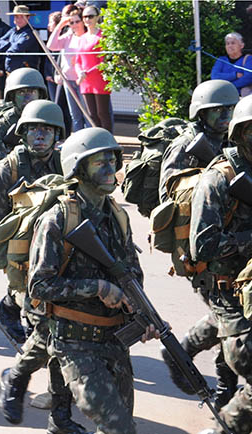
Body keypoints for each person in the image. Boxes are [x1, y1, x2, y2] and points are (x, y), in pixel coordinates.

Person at [29, 127, 160, 433]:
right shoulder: (58, 220)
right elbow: (39, 286)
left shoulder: (116, 215)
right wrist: (98, 288)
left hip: (114, 341)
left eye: (112, 161)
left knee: (121, 428)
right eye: (99, 162)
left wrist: (141, 314)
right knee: (118, 426)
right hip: (74, 342)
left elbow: (132, 274)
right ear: (78, 169)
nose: (110, 169)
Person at [0, 101, 84, 432]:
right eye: (34, 129)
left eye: (47, 130)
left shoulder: (66, 167)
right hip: (26, 270)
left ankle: (50, 407)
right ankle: (32, 391)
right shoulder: (5, 170)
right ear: (22, 133)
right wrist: (29, 220)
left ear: (57, 135)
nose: (41, 135)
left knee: (59, 338)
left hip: (65, 265)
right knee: (55, 337)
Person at [158, 79, 241, 410]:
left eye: (229, 110)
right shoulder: (187, 145)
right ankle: (220, 382)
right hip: (201, 243)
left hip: (232, 239)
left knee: (229, 312)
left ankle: (216, 377)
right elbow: (170, 197)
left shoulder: (233, 142)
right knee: (228, 315)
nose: (224, 116)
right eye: (217, 111)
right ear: (201, 113)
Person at [190, 95, 252, 434]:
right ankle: (223, 429)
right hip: (224, 285)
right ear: (241, 134)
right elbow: (203, 246)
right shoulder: (218, 179)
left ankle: (190, 343)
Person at [0, 67, 47, 169]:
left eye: (32, 92)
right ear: (12, 97)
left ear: (40, 95)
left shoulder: (47, 124)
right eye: (21, 93)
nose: (27, 98)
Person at [48, 5, 88, 133]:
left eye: (77, 21)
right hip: (68, 81)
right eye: (71, 22)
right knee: (75, 115)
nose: (75, 24)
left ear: (82, 21)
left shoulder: (87, 37)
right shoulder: (68, 36)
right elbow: (51, 45)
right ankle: (79, 140)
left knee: (87, 114)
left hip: (83, 81)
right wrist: (60, 25)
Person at [74, 5, 112, 132]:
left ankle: (108, 141)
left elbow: (104, 62)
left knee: (103, 113)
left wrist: (86, 73)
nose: (87, 19)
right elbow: (77, 61)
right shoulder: (81, 38)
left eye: (90, 16)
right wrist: (80, 73)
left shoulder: (103, 36)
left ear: (97, 17)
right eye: (84, 16)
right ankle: (98, 140)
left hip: (100, 80)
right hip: (85, 81)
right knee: (92, 115)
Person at [0, 5, 41, 74]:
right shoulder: (12, 31)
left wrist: (6, 47)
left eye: (22, 17)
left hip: (25, 72)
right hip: (10, 72)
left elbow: (17, 49)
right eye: (16, 17)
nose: (19, 20)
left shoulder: (31, 32)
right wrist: (10, 44)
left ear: (28, 17)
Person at [211, 32, 252, 96]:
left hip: (241, 97)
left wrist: (229, 87)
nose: (230, 46)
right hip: (223, 96)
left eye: (233, 43)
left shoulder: (248, 59)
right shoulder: (221, 60)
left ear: (241, 46)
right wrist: (235, 75)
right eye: (227, 44)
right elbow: (214, 76)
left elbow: (248, 78)